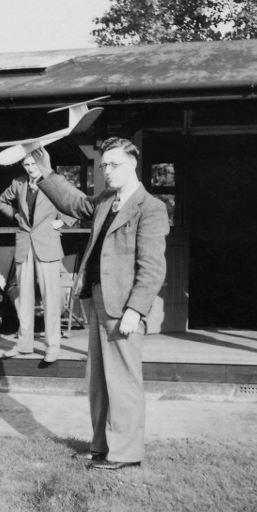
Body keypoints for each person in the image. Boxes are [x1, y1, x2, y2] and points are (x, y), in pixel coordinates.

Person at [33, 138, 169, 471]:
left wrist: (135, 310)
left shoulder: (150, 207)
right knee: (98, 380)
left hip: (123, 306)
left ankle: (126, 453)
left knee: (123, 380)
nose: (107, 171)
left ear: (133, 164)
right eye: (104, 165)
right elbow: (75, 204)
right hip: (97, 297)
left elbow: (153, 267)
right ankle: (101, 446)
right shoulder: (107, 200)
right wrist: (46, 173)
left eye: (114, 164)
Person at [0, 154, 76, 363]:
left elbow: (77, 202)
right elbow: (1, 201)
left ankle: (52, 347)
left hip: (48, 243)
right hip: (25, 243)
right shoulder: (18, 183)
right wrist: (15, 216)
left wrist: (63, 222)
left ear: (41, 163)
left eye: (34, 164)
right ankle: (23, 345)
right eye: (27, 164)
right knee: (24, 297)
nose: (31, 168)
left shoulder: (55, 181)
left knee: (51, 296)